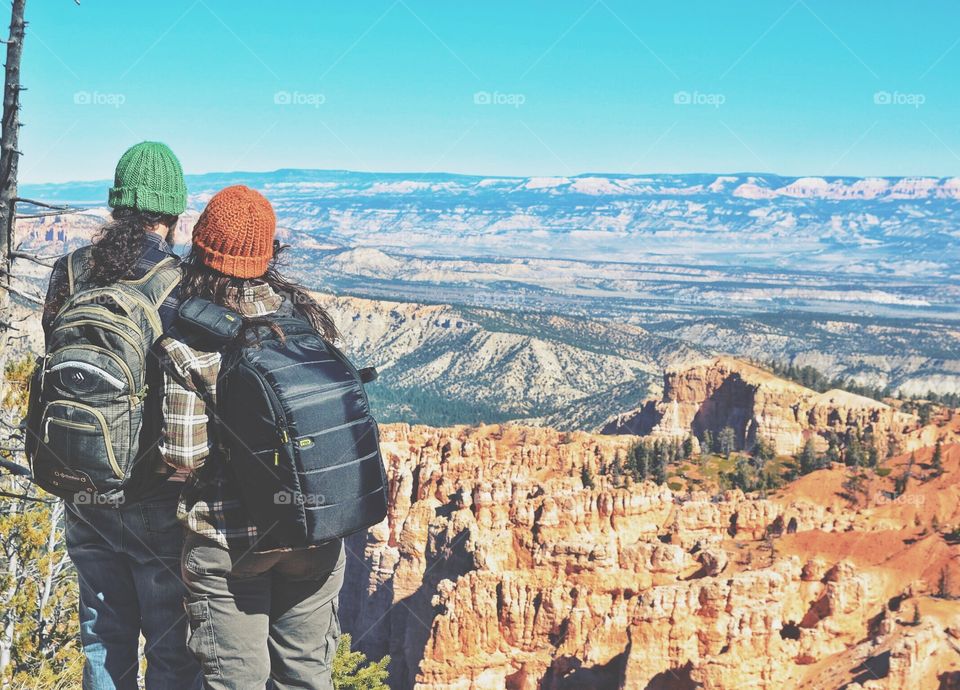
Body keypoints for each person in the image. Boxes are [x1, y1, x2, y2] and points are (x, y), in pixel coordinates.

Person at [158, 185, 345, 689]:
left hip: (230, 540)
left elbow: (186, 457)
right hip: (316, 530)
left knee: (236, 681)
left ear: (199, 250)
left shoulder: (190, 340)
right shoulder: (308, 320)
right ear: (270, 253)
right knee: (307, 676)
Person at [41, 141, 202, 690]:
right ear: (172, 215)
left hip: (79, 481)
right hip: (151, 489)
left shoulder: (70, 271)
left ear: (117, 207)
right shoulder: (179, 283)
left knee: (101, 637)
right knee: (171, 648)